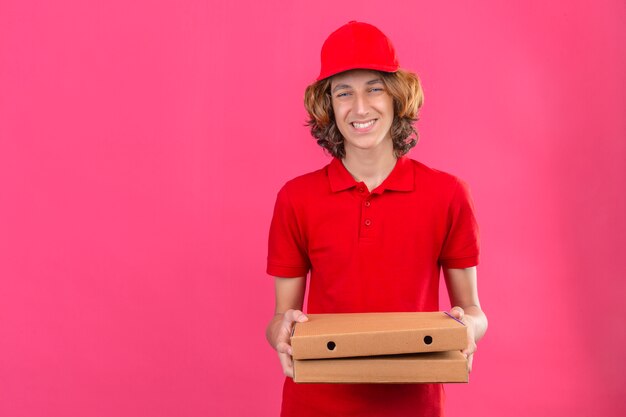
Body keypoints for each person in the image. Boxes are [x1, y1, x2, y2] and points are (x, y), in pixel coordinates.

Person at [265, 21, 488, 417]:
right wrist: (280, 333)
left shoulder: (448, 194)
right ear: (328, 105)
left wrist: (467, 328)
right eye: (344, 92)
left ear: (398, 96)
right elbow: (283, 316)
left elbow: (471, 309)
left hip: (414, 403)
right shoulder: (296, 198)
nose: (361, 107)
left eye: (374, 88)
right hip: (315, 403)